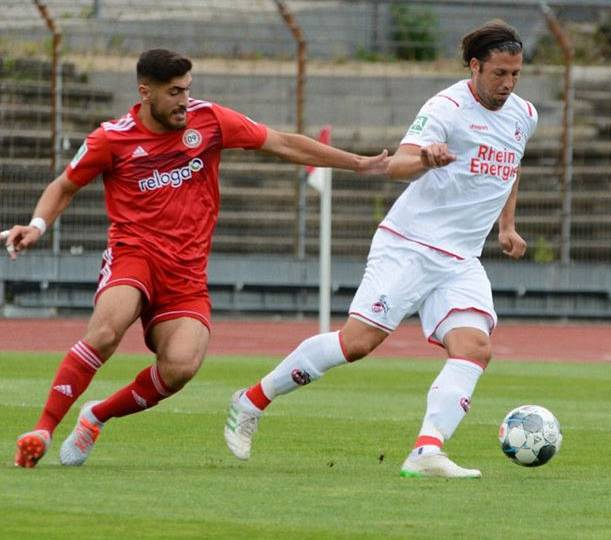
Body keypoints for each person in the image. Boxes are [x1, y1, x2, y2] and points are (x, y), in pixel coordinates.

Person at [0, 48, 389, 468]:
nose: (185, 100)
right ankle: (42, 428)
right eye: (174, 92)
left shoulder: (210, 120)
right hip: (135, 255)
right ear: (145, 92)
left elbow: (281, 142)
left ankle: (97, 415)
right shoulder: (112, 138)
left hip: (186, 272)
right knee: (108, 330)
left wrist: (356, 163)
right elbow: (64, 186)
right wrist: (35, 226)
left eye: (187, 89)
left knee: (181, 366)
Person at [223, 21, 537, 479]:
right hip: (410, 246)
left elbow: (512, 165)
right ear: (475, 66)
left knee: (474, 347)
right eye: (499, 74)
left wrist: (507, 226)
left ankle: (427, 451)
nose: (508, 85)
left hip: (461, 259)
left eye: (515, 74)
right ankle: (251, 400)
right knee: (357, 343)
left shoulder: (524, 114)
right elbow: (398, 165)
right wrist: (426, 158)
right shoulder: (446, 107)